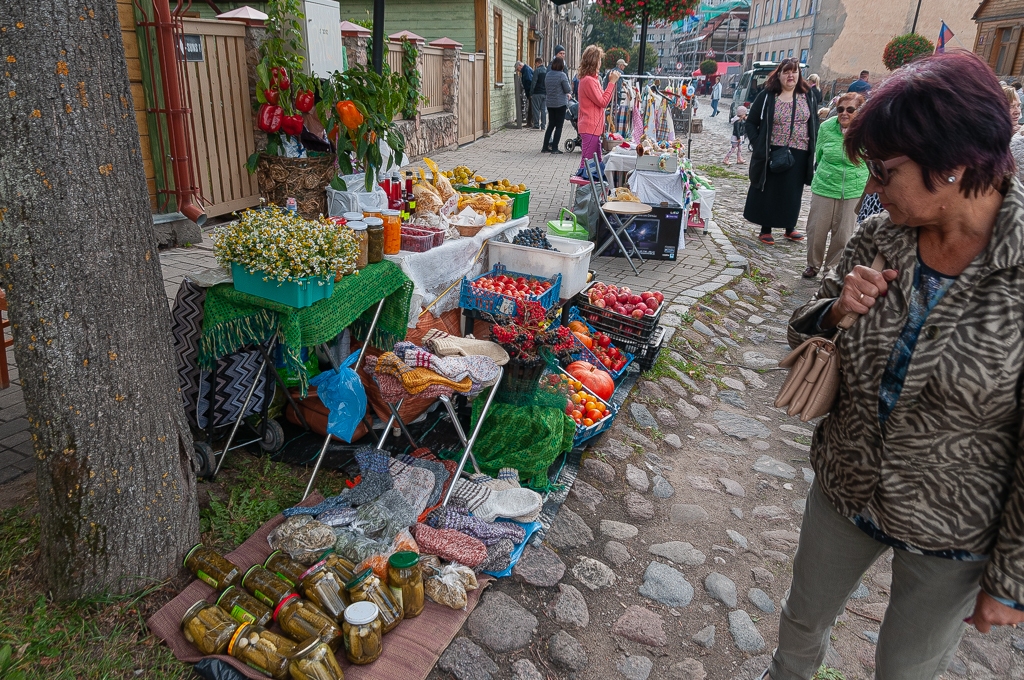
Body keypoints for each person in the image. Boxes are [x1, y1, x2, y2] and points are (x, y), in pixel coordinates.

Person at [770, 51, 1024, 680]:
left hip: (953, 522)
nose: (871, 188)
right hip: (846, 480)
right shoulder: (881, 237)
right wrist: (835, 313)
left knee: (907, 668)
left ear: (953, 162)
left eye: (883, 172)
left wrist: (1012, 576)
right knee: (803, 621)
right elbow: (820, 330)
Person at [743, 57, 820, 245]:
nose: (790, 75)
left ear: (799, 74)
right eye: (786, 71)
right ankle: (766, 228)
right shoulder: (768, 96)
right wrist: (758, 143)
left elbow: (814, 122)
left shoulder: (808, 95)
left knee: (792, 192)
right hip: (773, 150)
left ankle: (789, 227)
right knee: (770, 190)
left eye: (794, 71)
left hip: (800, 151)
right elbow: (751, 122)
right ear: (779, 75)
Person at [802, 92, 868, 278]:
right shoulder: (826, 127)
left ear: (859, 112)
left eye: (850, 109)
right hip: (825, 184)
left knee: (843, 234)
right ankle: (812, 265)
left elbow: (870, 158)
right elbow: (820, 154)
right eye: (840, 109)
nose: (844, 113)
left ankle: (832, 269)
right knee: (816, 229)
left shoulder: (866, 131)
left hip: (853, 189)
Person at [576, 45, 620, 171]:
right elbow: (603, 102)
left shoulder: (592, 80)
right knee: (588, 165)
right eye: (600, 60)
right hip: (590, 127)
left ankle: (593, 189)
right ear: (595, 61)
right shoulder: (588, 81)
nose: (600, 63)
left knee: (596, 163)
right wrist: (611, 83)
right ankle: (583, 189)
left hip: (594, 128)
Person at [543, 56, 571, 154]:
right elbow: (567, 89)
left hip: (550, 103)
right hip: (560, 103)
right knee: (559, 126)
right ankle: (555, 148)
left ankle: (545, 146)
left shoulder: (548, 75)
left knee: (551, 125)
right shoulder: (562, 75)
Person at [531, 58, 548, 130]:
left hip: (537, 93)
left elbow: (534, 82)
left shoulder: (537, 71)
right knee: (543, 110)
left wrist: (531, 93)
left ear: (537, 63)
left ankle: (536, 125)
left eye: (535, 64)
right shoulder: (547, 71)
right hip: (545, 93)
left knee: (536, 109)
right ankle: (543, 126)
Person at [515, 61, 533, 127]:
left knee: (531, 107)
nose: (518, 71)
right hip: (530, 92)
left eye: (517, 69)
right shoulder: (527, 69)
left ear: (520, 66)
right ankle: (531, 122)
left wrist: (529, 93)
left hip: (530, 92)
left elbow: (529, 81)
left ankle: (530, 123)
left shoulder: (526, 70)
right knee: (531, 107)